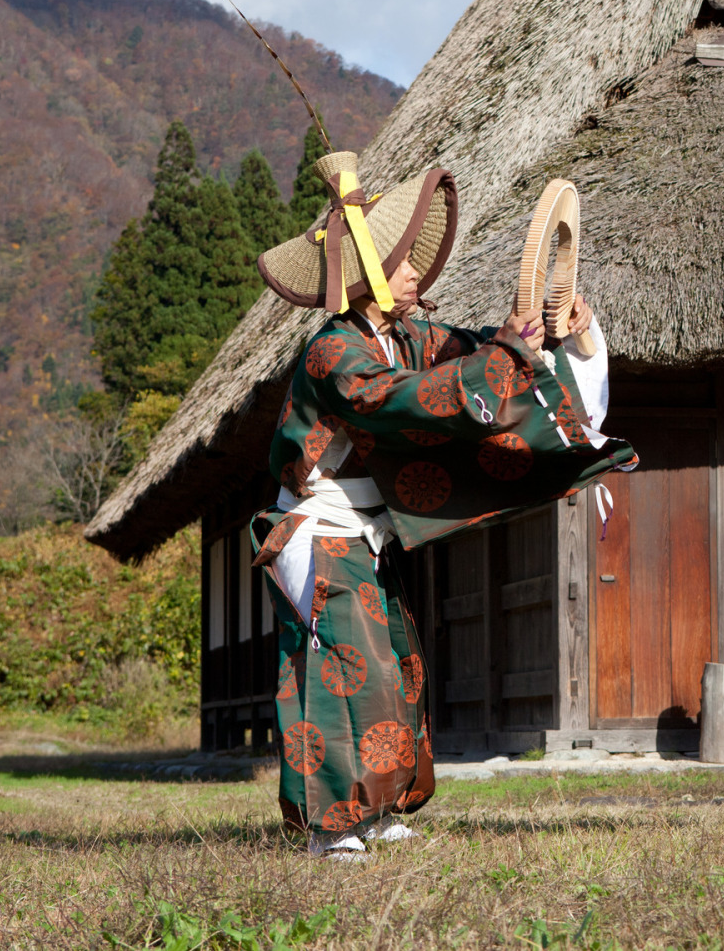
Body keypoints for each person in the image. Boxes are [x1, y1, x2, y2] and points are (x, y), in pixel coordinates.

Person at [252, 148, 633, 859]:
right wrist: (499, 358)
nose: (414, 274)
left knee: (399, 667)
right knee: (345, 671)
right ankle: (332, 826)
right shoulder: (331, 354)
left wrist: (558, 331)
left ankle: (383, 804)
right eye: (399, 263)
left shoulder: (408, 337)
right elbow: (403, 401)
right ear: (365, 273)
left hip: (365, 536)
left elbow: (483, 353)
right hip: (319, 532)